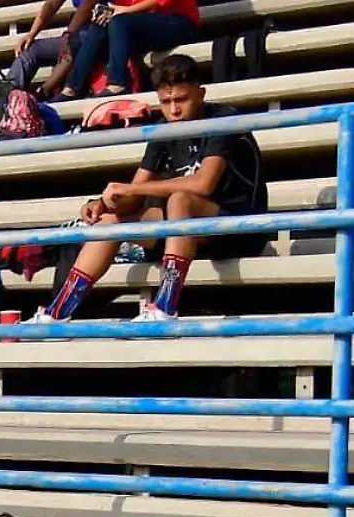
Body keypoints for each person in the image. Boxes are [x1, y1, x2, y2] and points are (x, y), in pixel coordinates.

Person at [31, 55, 266, 325]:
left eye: (182, 99)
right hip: (185, 232)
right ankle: (58, 311)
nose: (174, 109)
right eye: (166, 102)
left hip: (240, 228)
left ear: (201, 94)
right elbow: (136, 191)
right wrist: (105, 202)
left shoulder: (223, 119)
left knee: (181, 199)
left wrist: (132, 188)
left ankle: (165, 306)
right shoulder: (165, 129)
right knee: (110, 221)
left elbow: (204, 183)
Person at [58, 0, 200, 100]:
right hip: (141, 23)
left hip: (179, 22)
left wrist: (121, 12)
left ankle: (117, 84)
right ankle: (71, 88)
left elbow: (156, 3)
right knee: (98, 26)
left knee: (119, 21)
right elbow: (117, 8)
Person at [9, 0, 91, 96]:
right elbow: (51, 5)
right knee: (30, 50)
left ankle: (43, 92)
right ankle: (9, 94)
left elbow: (88, 4)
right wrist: (31, 34)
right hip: (79, 31)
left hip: (99, 30)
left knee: (73, 44)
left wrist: (68, 35)